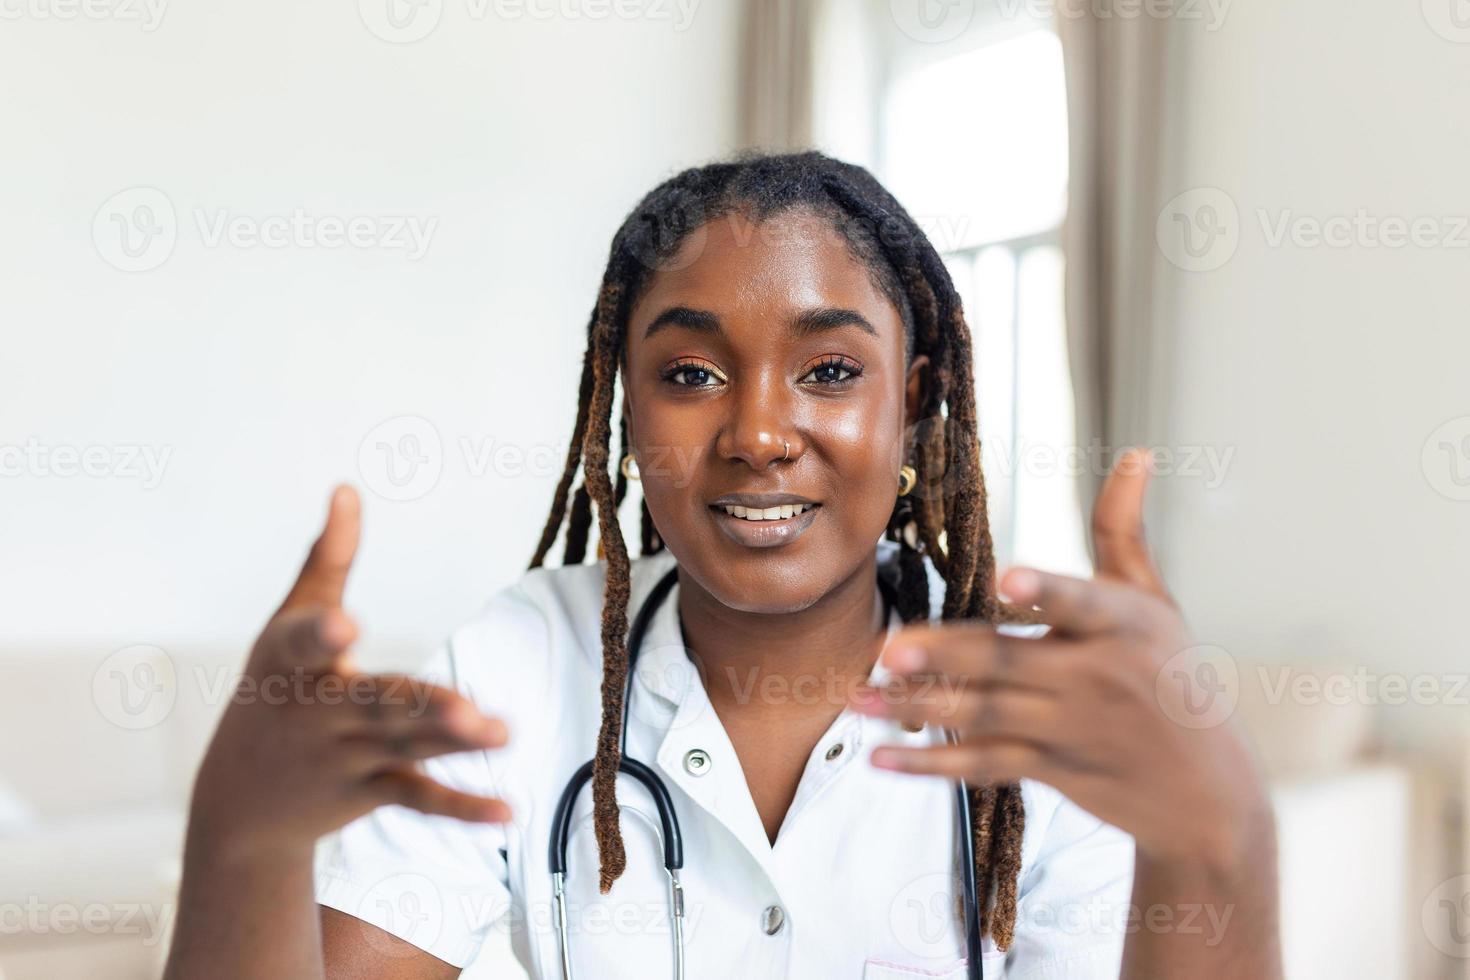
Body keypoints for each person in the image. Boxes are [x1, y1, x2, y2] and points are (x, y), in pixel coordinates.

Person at [163, 152, 1282, 979]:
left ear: (916, 405)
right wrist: (239, 839)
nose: (757, 430)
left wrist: (1224, 841)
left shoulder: (1041, 703)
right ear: (625, 408)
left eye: (831, 368)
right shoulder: (518, 661)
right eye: (691, 374)